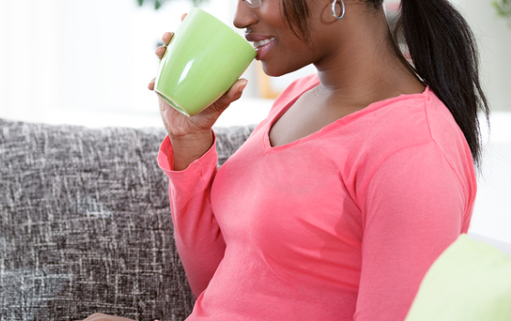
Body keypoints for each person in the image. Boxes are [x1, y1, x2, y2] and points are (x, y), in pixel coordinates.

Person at [83, 0, 489, 319]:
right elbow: (217, 284)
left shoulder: (414, 151)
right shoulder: (299, 94)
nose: (240, 15)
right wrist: (188, 138)